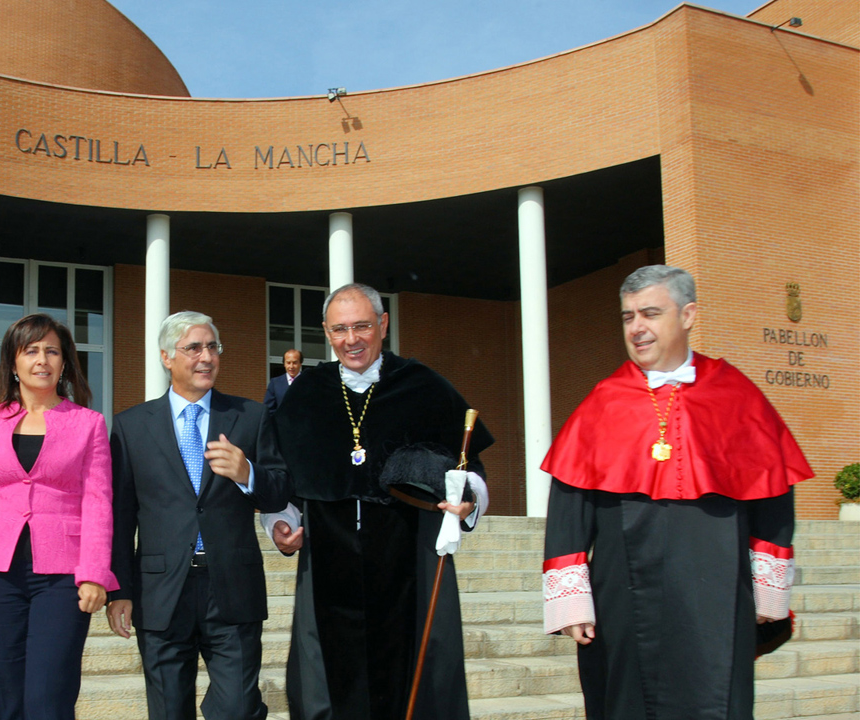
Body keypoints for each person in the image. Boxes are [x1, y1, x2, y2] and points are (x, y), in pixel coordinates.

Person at [541, 265, 811, 720]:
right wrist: (571, 602)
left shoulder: (737, 395)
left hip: (717, 590)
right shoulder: (603, 400)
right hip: (622, 594)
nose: (637, 328)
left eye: (650, 313)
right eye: (628, 317)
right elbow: (569, 508)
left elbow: (773, 498)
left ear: (687, 315)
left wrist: (768, 593)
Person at [266, 283, 492, 720]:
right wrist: (280, 521)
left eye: (362, 326)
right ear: (327, 334)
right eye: (340, 329)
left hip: (410, 554)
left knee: (415, 681)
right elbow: (283, 475)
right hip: (327, 558)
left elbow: (472, 467)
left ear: (383, 325)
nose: (351, 340)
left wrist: (468, 502)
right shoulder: (307, 393)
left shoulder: (423, 385)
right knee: (325, 683)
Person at [106, 311, 291, 720]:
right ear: (167, 357)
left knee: (237, 709)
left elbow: (281, 489)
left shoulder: (252, 416)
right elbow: (121, 516)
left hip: (232, 589)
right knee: (169, 710)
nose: (206, 357)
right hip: (161, 593)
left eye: (212, 347)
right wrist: (120, 589)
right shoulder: (131, 426)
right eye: (194, 348)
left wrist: (249, 474)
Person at [0, 314, 118, 720]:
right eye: (31, 351)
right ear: (13, 362)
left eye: (52, 351)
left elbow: (98, 501)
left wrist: (95, 572)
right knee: (7, 695)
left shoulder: (88, 423)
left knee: (50, 695)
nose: (42, 360)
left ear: (65, 363)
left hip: (62, 575)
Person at [263, 348, 303, 415]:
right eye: (288, 363)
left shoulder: (310, 382)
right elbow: (268, 409)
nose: (291, 366)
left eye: (295, 363)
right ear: (284, 364)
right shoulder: (275, 383)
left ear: (300, 364)